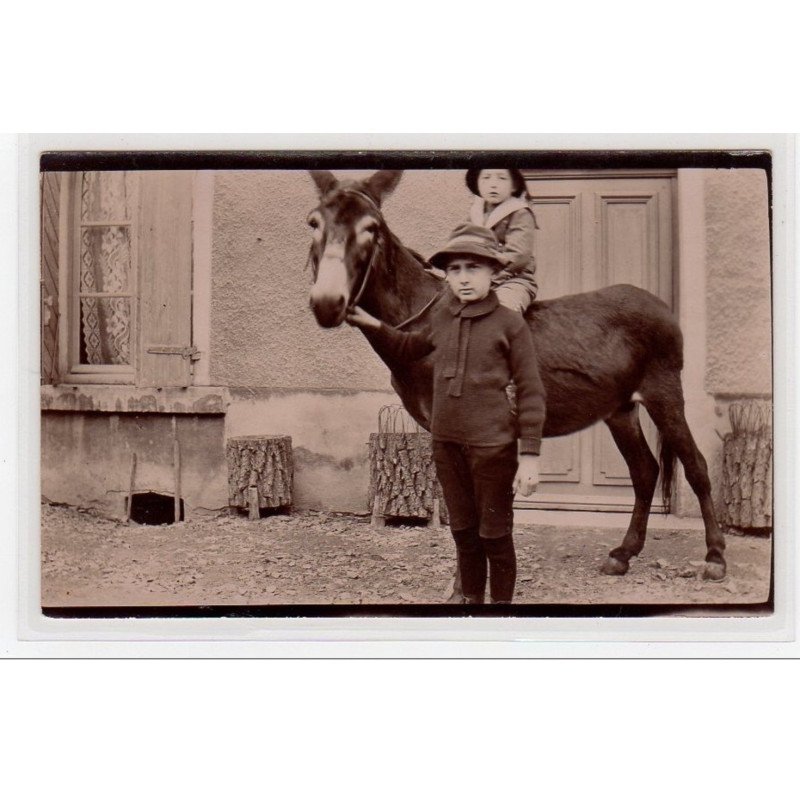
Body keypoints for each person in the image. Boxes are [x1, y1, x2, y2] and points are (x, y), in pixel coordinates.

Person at [347, 224, 546, 604]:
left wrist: (530, 456)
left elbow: (532, 391)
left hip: (493, 448)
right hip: (447, 446)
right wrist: (374, 325)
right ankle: (471, 607)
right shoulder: (441, 317)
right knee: (464, 532)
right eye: (454, 270)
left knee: (495, 535)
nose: (464, 278)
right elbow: (409, 347)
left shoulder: (510, 324)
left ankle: (501, 614)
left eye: (474, 268)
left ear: (494, 272)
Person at [464, 167, 539, 314]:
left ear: (514, 185)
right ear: (477, 184)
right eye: (486, 178)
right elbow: (463, 244)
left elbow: (518, 255)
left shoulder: (520, 212)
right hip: (478, 281)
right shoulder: (475, 213)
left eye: (501, 178)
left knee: (500, 314)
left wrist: (490, 278)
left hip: (512, 280)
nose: (493, 184)